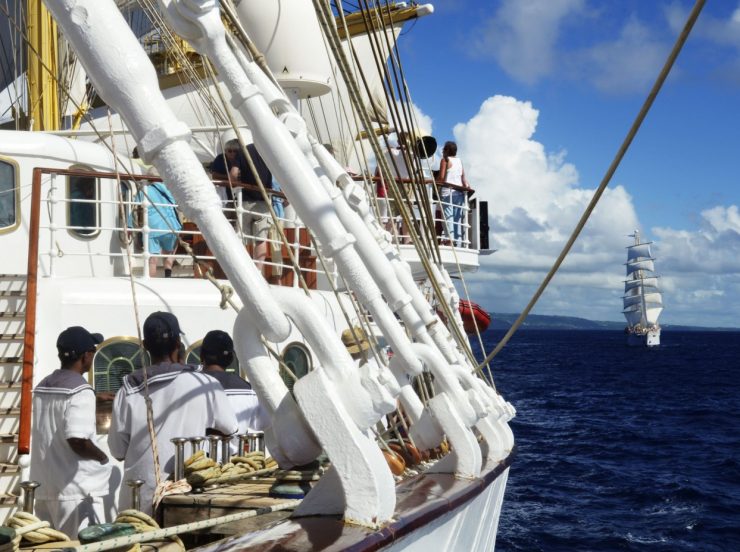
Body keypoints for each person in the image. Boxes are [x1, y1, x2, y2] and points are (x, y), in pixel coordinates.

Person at [108, 312, 238, 515]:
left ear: (145, 345)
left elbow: (117, 450)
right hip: (186, 497)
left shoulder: (128, 390)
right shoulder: (205, 385)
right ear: (178, 342)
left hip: (137, 500)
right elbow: (229, 429)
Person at [31, 327, 111, 537]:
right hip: (76, 492)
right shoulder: (80, 391)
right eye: (93, 351)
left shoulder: (42, 387)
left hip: (45, 489)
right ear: (86, 356)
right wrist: (102, 458)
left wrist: (93, 398)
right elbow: (77, 439)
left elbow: (55, 420)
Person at [211, 139, 274, 274]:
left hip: (244, 202)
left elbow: (233, 174)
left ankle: (242, 272)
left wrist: (234, 183)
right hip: (263, 202)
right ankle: (258, 271)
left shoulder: (245, 151)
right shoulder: (269, 150)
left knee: (241, 238)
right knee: (260, 240)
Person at [201, 330, 267, 432]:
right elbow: (263, 423)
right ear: (231, 358)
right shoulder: (248, 390)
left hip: (197, 448)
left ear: (202, 355)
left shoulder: (189, 386)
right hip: (236, 448)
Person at [129, 176, 182, 277]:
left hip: (154, 228)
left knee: (152, 260)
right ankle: (168, 276)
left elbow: (134, 209)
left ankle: (152, 283)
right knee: (168, 255)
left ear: (149, 179)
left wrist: (130, 226)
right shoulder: (170, 190)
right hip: (173, 226)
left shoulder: (145, 190)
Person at [436, 141, 469, 246]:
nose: (442, 151)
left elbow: (441, 177)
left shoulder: (445, 160)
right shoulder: (459, 161)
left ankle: (449, 241)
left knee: (448, 217)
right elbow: (464, 179)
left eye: (444, 149)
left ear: (446, 150)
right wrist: (467, 189)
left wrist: (434, 182)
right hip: (459, 193)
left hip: (447, 193)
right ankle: (457, 242)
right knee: (456, 218)